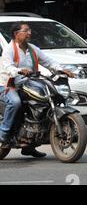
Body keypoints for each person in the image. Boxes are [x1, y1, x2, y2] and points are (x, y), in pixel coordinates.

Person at [0, 22, 74, 158]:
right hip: (8, 85)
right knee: (16, 103)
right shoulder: (9, 49)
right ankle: (3, 135)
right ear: (16, 34)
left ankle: (29, 145)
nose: (30, 33)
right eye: (26, 30)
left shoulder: (32, 49)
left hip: (28, 83)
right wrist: (19, 70)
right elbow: (8, 68)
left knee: (43, 102)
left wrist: (61, 69)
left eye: (30, 30)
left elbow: (48, 61)